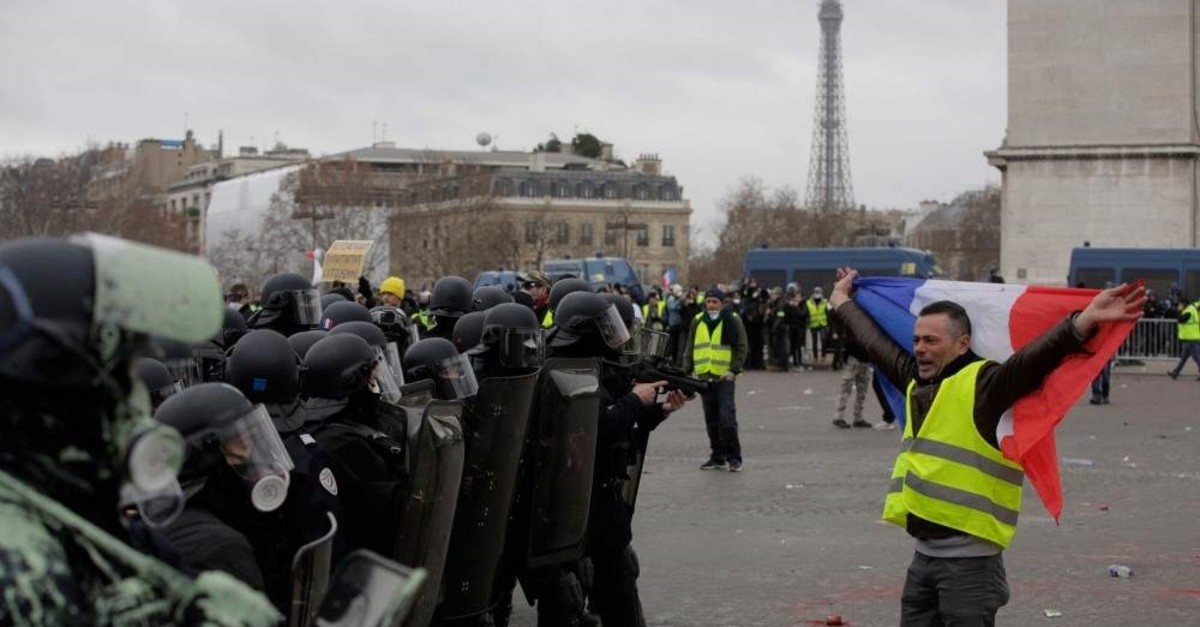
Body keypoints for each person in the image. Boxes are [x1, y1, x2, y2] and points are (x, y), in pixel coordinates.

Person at [829, 266, 1145, 626]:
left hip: (970, 566)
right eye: (916, 339)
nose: (919, 349)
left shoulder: (985, 385)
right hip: (923, 560)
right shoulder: (916, 383)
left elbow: (1033, 360)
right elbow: (873, 341)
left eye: (931, 341)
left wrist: (1084, 320)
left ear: (962, 343)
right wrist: (841, 300)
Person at [0, 234, 280, 625]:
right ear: (56, 391)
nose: (137, 402)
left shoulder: (71, 501)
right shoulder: (19, 562)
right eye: (124, 374)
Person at [683, 288, 748, 472]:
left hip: (724, 378)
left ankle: (734, 458)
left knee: (727, 418)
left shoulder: (732, 319)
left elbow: (742, 347)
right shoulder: (697, 320)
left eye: (715, 302)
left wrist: (733, 370)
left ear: (722, 303)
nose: (711, 305)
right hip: (704, 377)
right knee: (711, 420)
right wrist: (685, 373)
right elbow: (690, 347)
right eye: (708, 301)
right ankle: (717, 456)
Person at [832, 356, 873, 429]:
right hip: (857, 358)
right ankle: (839, 417)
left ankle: (857, 417)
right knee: (848, 389)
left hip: (861, 359)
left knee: (861, 390)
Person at [1168, 296, 1200, 380]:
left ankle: (1175, 372)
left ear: (1184, 304)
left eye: (1180, 304)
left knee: (1197, 358)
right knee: (1183, 358)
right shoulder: (1190, 309)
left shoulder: (1189, 311)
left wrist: (1178, 311)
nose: (1179, 305)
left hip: (1192, 338)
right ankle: (1175, 372)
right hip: (1189, 338)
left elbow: (1181, 319)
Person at [806, 286, 830, 365]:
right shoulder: (809, 302)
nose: (817, 295)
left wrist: (829, 324)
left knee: (824, 340)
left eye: (819, 293)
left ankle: (823, 356)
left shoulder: (825, 302)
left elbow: (828, 313)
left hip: (823, 324)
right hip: (813, 324)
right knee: (814, 341)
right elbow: (807, 313)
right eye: (816, 293)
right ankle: (815, 357)